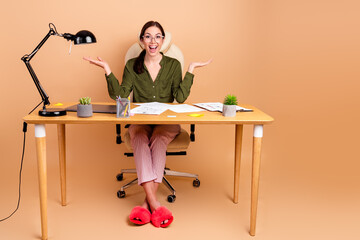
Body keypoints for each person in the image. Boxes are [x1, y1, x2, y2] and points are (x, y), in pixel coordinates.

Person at [83, 21, 211, 228]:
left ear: (163, 40)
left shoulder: (173, 65)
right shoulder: (132, 65)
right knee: (140, 138)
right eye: (148, 36)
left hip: (166, 122)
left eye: (158, 36)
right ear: (142, 40)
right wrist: (107, 69)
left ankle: (146, 203)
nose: (153, 41)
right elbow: (122, 95)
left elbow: (180, 98)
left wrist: (191, 70)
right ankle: (155, 203)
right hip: (140, 121)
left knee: (159, 139)